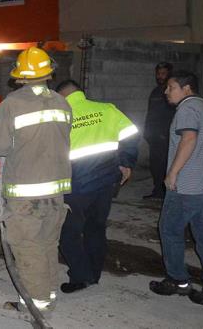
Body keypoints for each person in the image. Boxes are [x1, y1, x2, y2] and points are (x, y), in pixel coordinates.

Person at [0, 47, 72, 313]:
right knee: (47, 245)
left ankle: (36, 308)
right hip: (56, 193)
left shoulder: (12, 103)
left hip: (25, 194)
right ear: (48, 73)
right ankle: (48, 296)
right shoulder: (62, 101)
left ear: (20, 76)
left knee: (27, 248)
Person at [55, 80, 139, 293]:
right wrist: (126, 162)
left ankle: (81, 277)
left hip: (76, 187)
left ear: (62, 96)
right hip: (105, 183)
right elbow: (131, 133)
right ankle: (94, 274)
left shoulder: (61, 117)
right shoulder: (106, 109)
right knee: (96, 228)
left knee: (68, 234)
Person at [149, 70, 203, 306]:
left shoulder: (187, 108)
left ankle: (177, 280)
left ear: (186, 88)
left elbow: (189, 139)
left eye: (171, 87)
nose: (166, 91)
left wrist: (172, 173)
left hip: (185, 186)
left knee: (169, 230)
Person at [143, 62, 175, 200]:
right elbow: (150, 113)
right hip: (154, 137)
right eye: (158, 73)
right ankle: (158, 191)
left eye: (163, 73)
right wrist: (147, 132)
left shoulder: (171, 92)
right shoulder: (156, 91)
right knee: (155, 165)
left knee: (164, 165)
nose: (160, 76)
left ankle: (166, 192)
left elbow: (171, 115)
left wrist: (166, 134)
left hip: (165, 137)